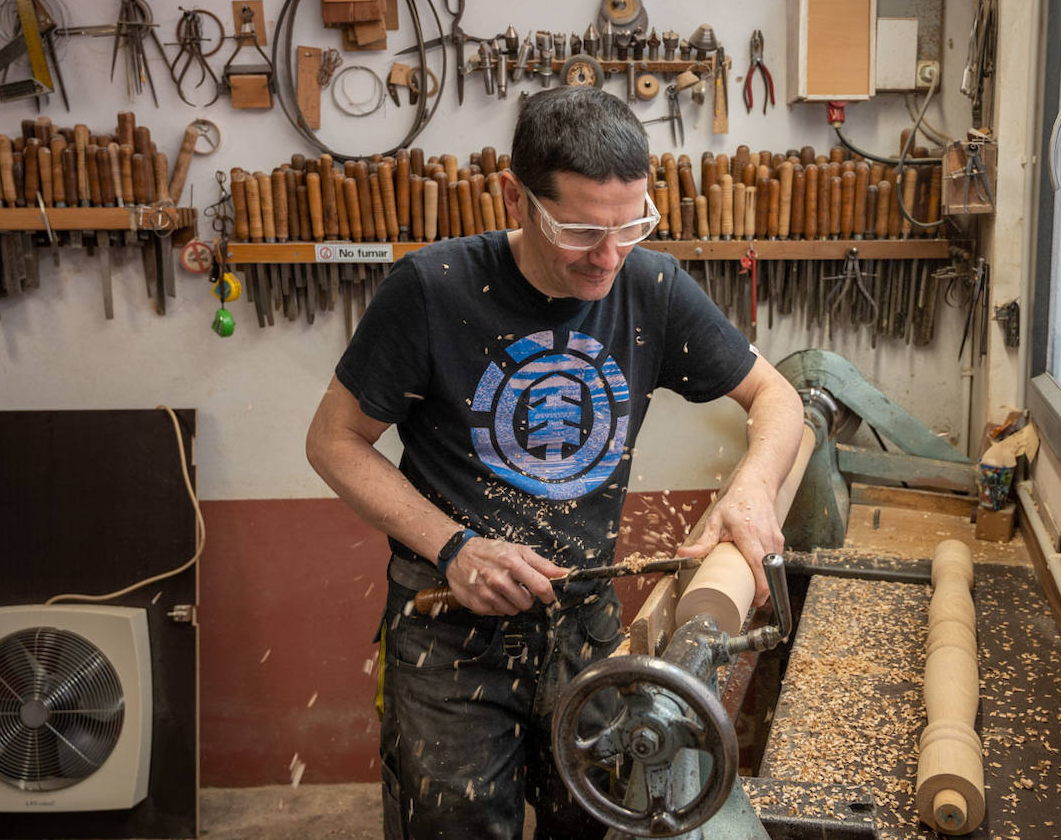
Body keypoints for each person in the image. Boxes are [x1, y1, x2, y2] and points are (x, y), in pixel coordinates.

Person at [306, 86, 805, 839]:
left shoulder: (651, 286)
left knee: (599, 820)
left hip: (585, 628)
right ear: (516, 197)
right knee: (457, 824)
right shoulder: (431, 290)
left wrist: (752, 489)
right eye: (579, 230)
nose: (608, 257)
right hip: (449, 632)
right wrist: (456, 547)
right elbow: (333, 441)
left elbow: (776, 396)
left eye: (629, 224)